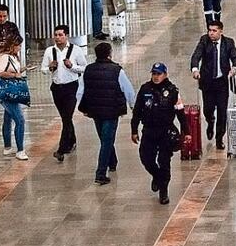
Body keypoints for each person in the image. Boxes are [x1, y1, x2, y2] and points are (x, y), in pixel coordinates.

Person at [76, 43, 136, 185]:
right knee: (107, 140)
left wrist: (83, 107)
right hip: (112, 110)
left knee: (104, 138)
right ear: (110, 54)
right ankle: (101, 173)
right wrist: (133, 106)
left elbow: (81, 90)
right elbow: (128, 89)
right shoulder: (117, 70)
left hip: (95, 110)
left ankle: (112, 161)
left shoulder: (89, 70)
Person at [131, 63, 186, 205]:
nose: (156, 76)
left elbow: (180, 113)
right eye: (154, 73)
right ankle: (157, 176)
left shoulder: (172, 91)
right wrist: (134, 130)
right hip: (149, 130)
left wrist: (186, 132)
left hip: (165, 132)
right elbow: (137, 111)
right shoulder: (145, 89)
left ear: (165, 74)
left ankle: (164, 191)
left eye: (159, 74)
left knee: (164, 162)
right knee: (146, 158)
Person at [190, 21, 236, 150]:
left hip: (221, 82)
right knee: (208, 109)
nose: (211, 33)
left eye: (214, 31)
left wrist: (234, 68)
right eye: (210, 30)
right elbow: (196, 56)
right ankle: (210, 121)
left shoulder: (228, 42)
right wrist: (195, 69)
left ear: (221, 31)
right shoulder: (204, 41)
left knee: (222, 112)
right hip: (208, 83)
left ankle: (219, 138)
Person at [40, 24, 88, 162]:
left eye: (60, 35)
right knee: (65, 118)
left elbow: (84, 68)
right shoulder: (50, 51)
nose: (57, 37)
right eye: (56, 35)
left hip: (71, 87)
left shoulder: (76, 50)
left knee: (67, 117)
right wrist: (49, 68)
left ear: (67, 36)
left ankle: (61, 149)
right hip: (56, 88)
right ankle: (72, 140)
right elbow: (43, 69)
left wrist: (72, 66)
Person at [0, 39, 29, 160]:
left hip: (12, 91)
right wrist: (15, 75)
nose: (19, 47)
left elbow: (13, 70)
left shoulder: (14, 57)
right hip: (7, 92)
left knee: (8, 118)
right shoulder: (5, 57)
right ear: (11, 46)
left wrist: (23, 69)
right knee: (20, 119)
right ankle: (20, 150)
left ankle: (7, 147)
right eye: (18, 45)